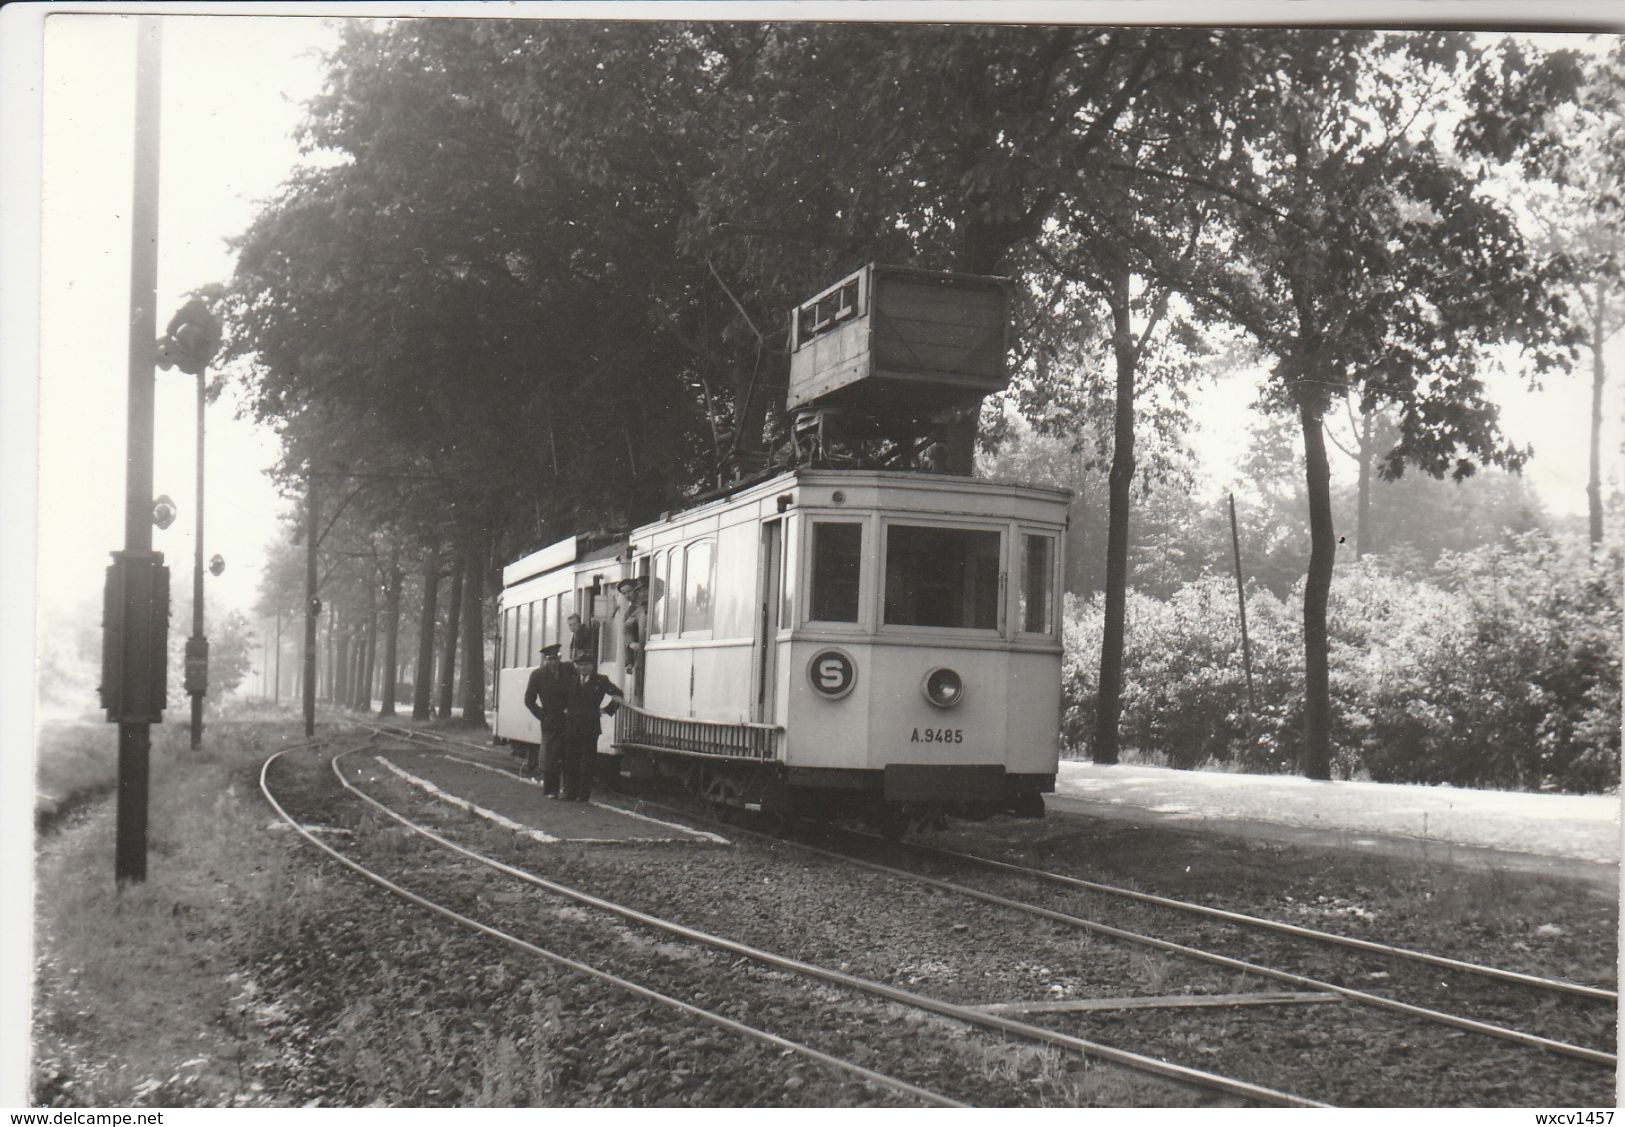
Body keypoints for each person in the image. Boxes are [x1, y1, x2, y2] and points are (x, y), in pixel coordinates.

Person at [561, 653, 623, 802]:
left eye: (586, 664)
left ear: (592, 665)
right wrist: (564, 709)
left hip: (590, 726)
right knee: (571, 760)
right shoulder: (571, 680)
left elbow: (619, 695)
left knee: (587, 762)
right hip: (572, 725)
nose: (583, 667)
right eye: (580, 664)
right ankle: (570, 793)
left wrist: (606, 710)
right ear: (576, 665)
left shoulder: (601, 680)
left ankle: (583, 795)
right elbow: (562, 698)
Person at [522, 644, 568, 796]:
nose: (554, 662)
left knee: (568, 754)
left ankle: (568, 790)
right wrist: (542, 715)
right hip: (550, 720)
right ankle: (551, 790)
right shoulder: (537, 675)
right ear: (544, 660)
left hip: (568, 719)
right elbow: (529, 700)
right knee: (551, 756)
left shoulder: (568, 670)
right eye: (550, 659)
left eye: (556, 658)